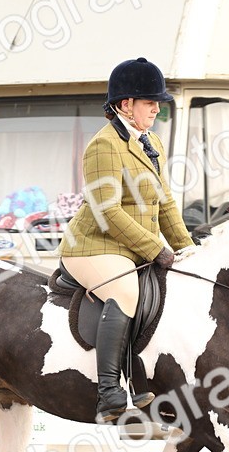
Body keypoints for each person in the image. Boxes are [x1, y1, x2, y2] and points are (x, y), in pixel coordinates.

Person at [59, 57, 196, 424]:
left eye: (157, 103)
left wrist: (185, 247)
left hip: (130, 246)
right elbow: (107, 211)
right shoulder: (103, 146)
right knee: (125, 291)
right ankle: (109, 392)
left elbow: (165, 201)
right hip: (93, 245)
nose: (156, 109)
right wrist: (155, 248)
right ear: (125, 105)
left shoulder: (152, 143)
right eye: (149, 102)